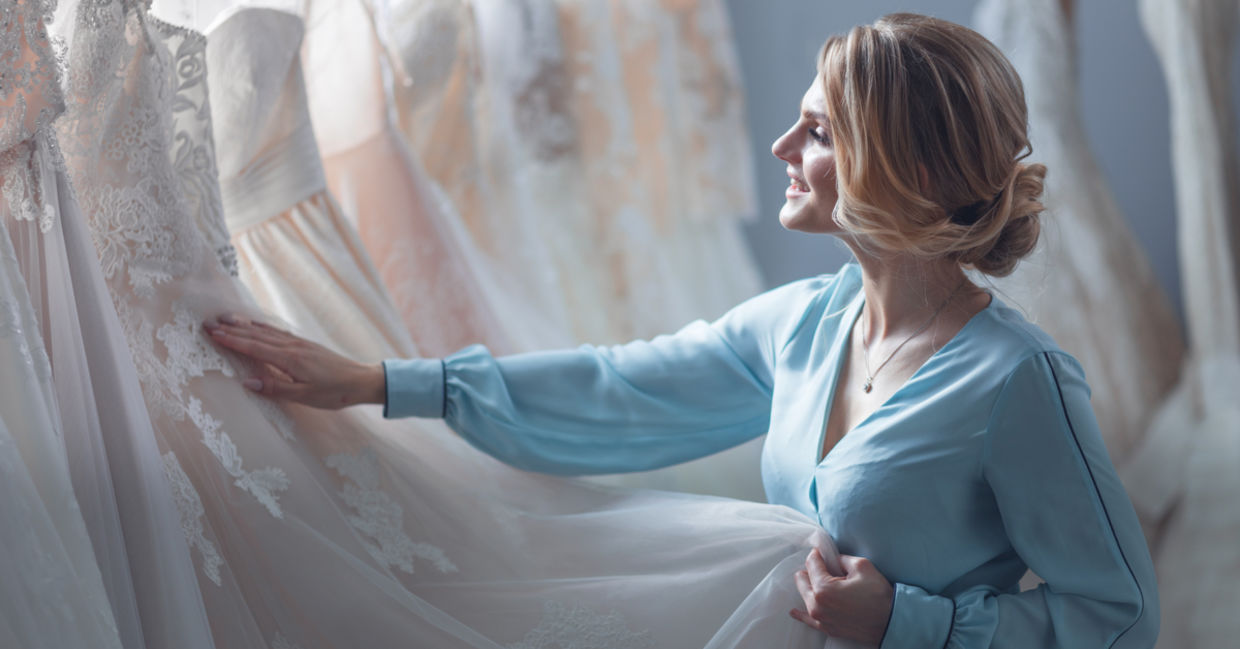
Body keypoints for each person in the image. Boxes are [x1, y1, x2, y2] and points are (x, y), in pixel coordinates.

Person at [207, 13, 1159, 648]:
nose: (784, 151)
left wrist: (913, 623)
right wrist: (380, 382)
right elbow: (622, 388)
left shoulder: (1019, 381)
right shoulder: (806, 323)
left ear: (896, 164)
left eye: (819, 133)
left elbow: (1118, 614)